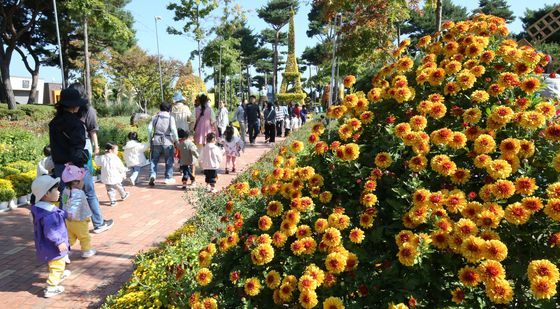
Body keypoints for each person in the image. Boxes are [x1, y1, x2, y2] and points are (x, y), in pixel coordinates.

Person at [49, 88, 113, 234]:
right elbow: (78, 147)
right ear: (74, 105)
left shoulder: (54, 123)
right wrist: (79, 167)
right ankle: (99, 223)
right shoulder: (75, 123)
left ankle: (62, 228)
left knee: (64, 196)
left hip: (60, 166)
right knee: (89, 193)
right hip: (75, 166)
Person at [30, 175, 71, 298]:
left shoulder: (41, 208)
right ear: (47, 194)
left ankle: (60, 273)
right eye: (56, 190)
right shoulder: (49, 214)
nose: (59, 192)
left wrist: (66, 214)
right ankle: (52, 287)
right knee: (56, 265)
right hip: (53, 245)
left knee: (57, 261)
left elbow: (58, 213)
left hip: (47, 245)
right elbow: (51, 231)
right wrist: (59, 242)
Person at [60, 164, 96, 259]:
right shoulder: (79, 193)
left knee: (70, 237)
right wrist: (71, 214)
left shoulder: (65, 190)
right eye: (82, 180)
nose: (83, 182)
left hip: (68, 220)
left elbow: (64, 202)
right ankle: (87, 251)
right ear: (75, 182)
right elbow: (74, 205)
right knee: (84, 236)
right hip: (79, 219)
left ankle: (65, 252)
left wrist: (66, 213)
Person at [148, 102, 179, 186]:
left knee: (154, 159)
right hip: (167, 141)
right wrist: (176, 140)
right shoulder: (170, 118)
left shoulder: (155, 117)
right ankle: (168, 177)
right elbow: (173, 129)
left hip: (156, 140)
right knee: (169, 160)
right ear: (169, 109)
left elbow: (149, 128)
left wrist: (149, 139)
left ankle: (153, 175)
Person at [95, 142, 129, 206]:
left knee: (110, 190)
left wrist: (96, 154)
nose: (117, 151)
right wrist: (123, 173)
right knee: (119, 187)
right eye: (116, 150)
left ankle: (112, 201)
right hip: (115, 176)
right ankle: (123, 195)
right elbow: (120, 166)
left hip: (106, 178)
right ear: (110, 150)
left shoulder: (102, 157)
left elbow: (97, 162)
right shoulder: (115, 158)